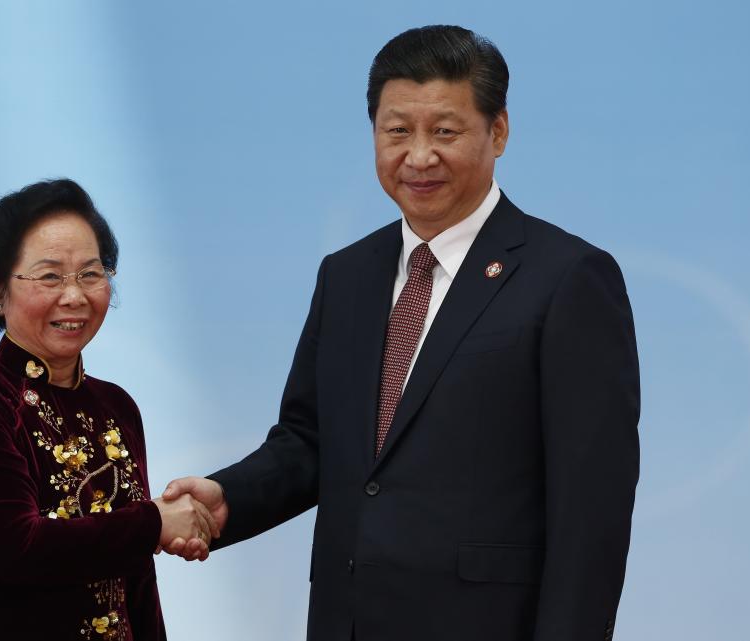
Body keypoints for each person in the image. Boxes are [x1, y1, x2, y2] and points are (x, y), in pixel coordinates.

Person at [164, 25, 640, 641]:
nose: (418, 156)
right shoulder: (348, 274)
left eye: (445, 131)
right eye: (397, 131)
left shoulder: (569, 277)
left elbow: (591, 508)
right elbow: (312, 440)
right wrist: (230, 496)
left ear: (498, 131)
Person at [0, 178, 218, 641]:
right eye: (49, 276)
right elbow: (17, 551)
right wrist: (154, 522)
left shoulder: (117, 407)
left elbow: (137, 583)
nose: (74, 296)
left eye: (90, 273)